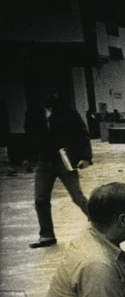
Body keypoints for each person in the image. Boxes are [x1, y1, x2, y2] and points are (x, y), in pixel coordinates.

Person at [23, 90, 92, 248]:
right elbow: (29, 137)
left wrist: (85, 157)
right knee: (40, 199)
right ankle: (47, 236)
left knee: (77, 197)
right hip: (44, 160)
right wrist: (26, 157)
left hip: (64, 158)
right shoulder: (33, 113)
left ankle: (101, 226)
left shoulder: (68, 111)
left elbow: (82, 134)